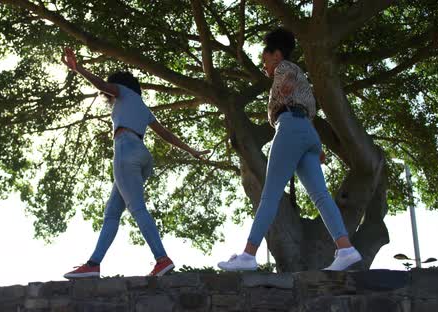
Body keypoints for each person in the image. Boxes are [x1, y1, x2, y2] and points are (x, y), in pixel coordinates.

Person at [217, 28, 362, 272]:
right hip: (306, 130)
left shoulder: (284, 68)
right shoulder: (300, 73)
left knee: (269, 196)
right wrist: (314, 143)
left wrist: (282, 90)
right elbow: (305, 108)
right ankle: (346, 248)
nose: (264, 66)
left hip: (290, 127)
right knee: (321, 196)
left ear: (276, 55)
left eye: (264, 60)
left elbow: (288, 88)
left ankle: (248, 255)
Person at [60, 48, 209, 278]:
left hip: (125, 150)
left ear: (119, 85)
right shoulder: (141, 105)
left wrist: (77, 68)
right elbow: (165, 134)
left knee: (137, 208)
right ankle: (93, 264)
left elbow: (102, 85)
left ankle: (162, 259)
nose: (109, 97)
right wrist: (192, 151)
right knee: (111, 212)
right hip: (142, 156)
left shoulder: (122, 92)